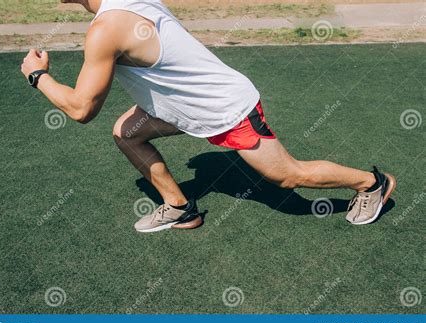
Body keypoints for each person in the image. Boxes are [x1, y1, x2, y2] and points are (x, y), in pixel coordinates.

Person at [21, 0, 396, 233]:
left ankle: (371, 183)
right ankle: (181, 209)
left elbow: (82, 108)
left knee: (288, 177)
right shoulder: (124, 6)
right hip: (180, 108)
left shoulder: (105, 29)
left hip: (226, 109)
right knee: (126, 133)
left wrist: (38, 76)